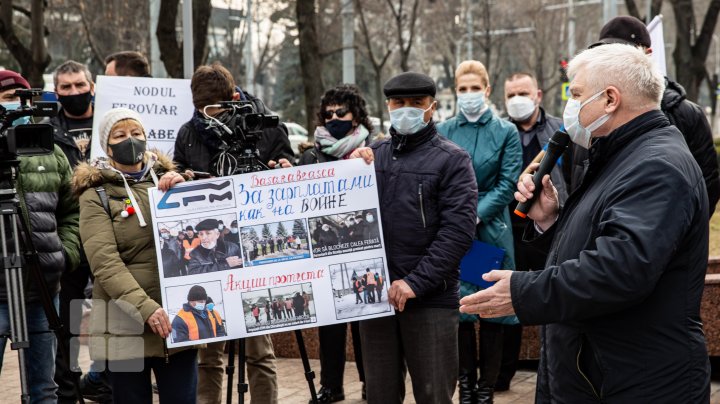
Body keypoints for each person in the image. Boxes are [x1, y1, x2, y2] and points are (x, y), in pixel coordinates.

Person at [461, 44, 710, 402]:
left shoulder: (657, 166)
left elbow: (619, 271)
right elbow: (597, 245)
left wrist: (522, 292)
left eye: (576, 94)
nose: (570, 106)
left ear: (610, 99)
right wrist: (549, 221)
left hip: (636, 381)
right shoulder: (620, 154)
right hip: (600, 373)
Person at [349, 72, 478, 404]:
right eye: (398, 103)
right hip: (377, 300)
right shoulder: (371, 156)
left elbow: (457, 233)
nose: (405, 109)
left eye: (416, 103)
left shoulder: (452, 159)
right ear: (388, 106)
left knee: (434, 395)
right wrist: (348, 172)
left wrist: (415, 283)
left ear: (431, 107)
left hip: (430, 300)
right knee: (379, 394)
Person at [168, 62, 291, 404]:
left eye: (217, 109)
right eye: (201, 111)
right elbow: (176, 177)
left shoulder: (264, 127)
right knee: (209, 352)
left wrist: (282, 168)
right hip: (209, 254)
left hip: (251, 249)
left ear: (235, 98)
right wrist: (180, 179)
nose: (209, 117)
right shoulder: (188, 133)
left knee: (259, 349)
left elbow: (289, 170)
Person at [73, 107, 197, 403]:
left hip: (174, 319)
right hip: (122, 325)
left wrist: (183, 192)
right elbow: (104, 262)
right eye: (120, 135)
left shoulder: (168, 182)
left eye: (136, 133)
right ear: (107, 145)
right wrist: (145, 308)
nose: (130, 140)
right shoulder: (95, 195)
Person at [435, 60, 522, 404]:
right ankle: (466, 385)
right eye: (462, 89)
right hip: (454, 231)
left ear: (487, 90)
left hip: (491, 232)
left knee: (492, 310)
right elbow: (437, 178)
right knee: (459, 310)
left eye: (475, 88)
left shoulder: (505, 131)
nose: (468, 95)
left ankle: (486, 387)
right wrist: (458, 216)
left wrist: (475, 213)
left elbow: (507, 182)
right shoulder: (443, 130)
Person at [582, 15, 719, 216]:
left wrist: (675, 231)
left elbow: (706, 184)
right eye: (605, 53)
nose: (612, 62)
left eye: (622, 54)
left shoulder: (687, 115)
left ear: (647, 55)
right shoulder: (590, 113)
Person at [0, 69, 81, 404]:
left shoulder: (50, 151)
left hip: (42, 286)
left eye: (20, 100)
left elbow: (73, 212)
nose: (14, 108)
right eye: (5, 99)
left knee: (44, 389)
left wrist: (64, 255)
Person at [300, 84, 373, 403]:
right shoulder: (309, 155)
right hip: (324, 247)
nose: (333, 118)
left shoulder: (373, 148)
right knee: (329, 321)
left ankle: (372, 381)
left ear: (355, 115)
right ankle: (331, 385)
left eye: (340, 112)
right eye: (328, 113)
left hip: (363, 246)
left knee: (366, 324)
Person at [497, 71, 569, 392]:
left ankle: (551, 366)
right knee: (504, 293)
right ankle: (501, 373)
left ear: (538, 95)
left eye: (523, 93)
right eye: (511, 95)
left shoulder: (559, 130)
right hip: (503, 228)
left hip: (548, 226)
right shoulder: (499, 131)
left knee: (548, 292)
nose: (517, 100)